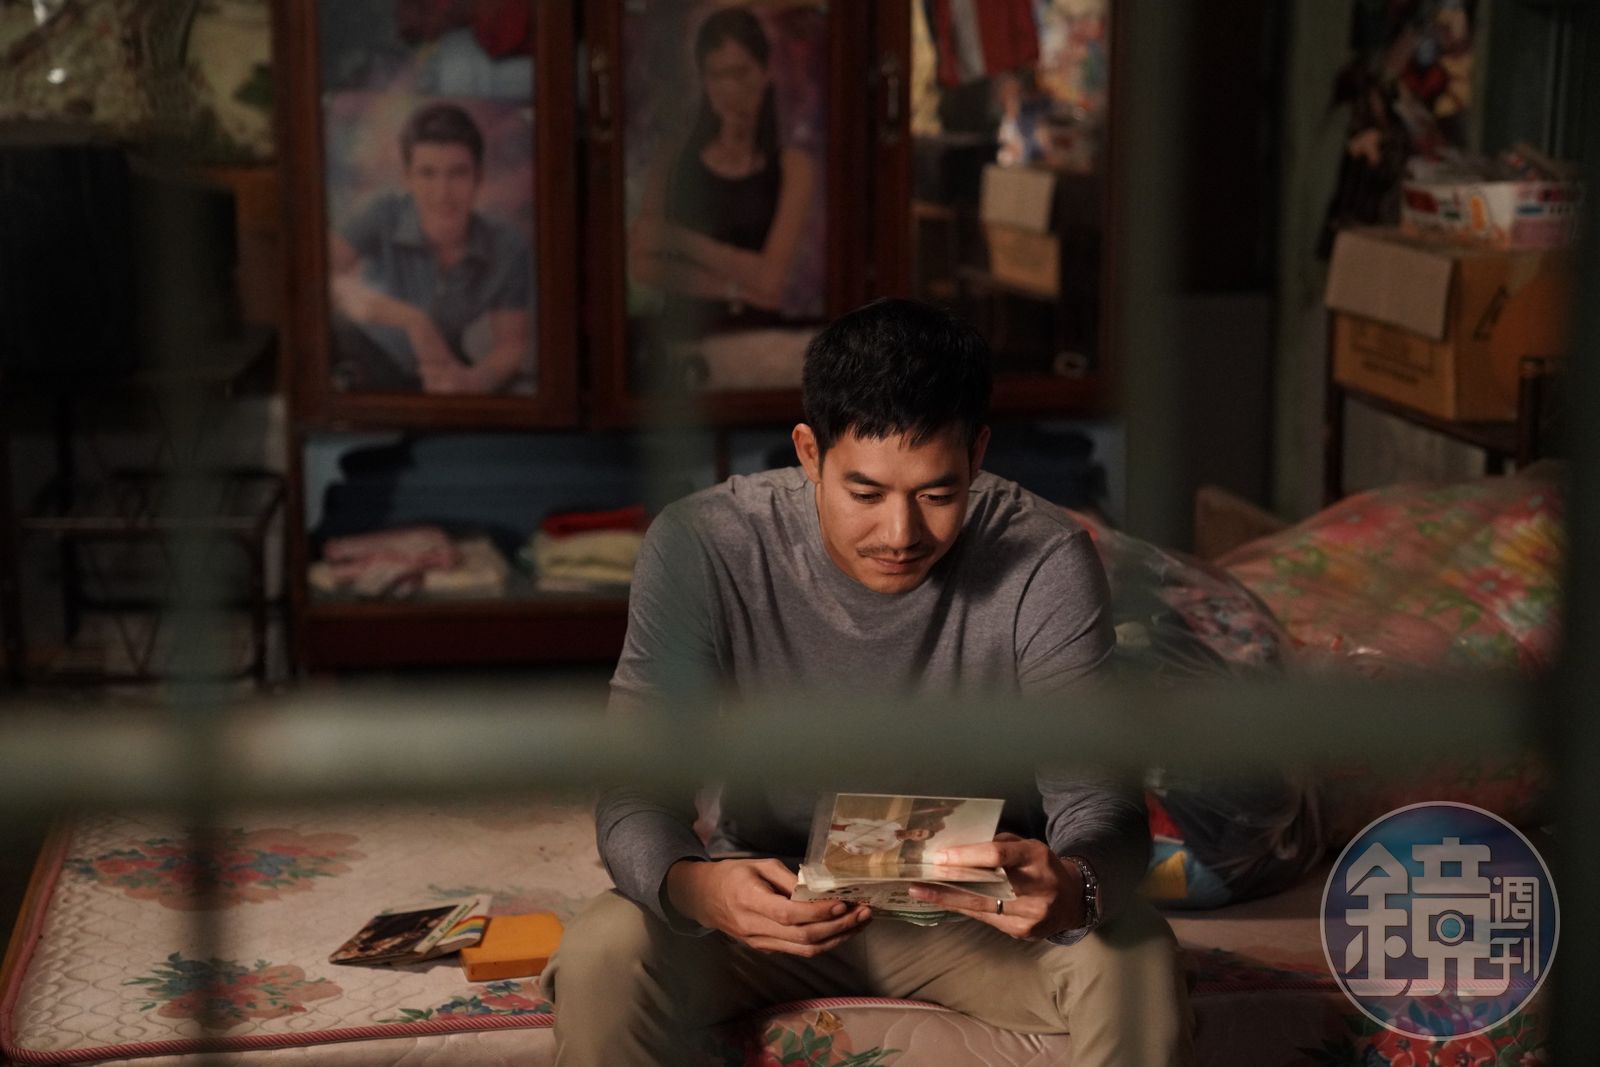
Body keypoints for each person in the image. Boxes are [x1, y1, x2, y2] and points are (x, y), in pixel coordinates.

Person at [545, 299, 1194, 1066]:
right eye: (865, 493)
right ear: (809, 452)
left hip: (973, 913)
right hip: (774, 904)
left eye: (938, 494)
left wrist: (1073, 883)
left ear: (978, 453)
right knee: (603, 949)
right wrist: (699, 888)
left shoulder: (1045, 557)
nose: (900, 534)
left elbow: (1101, 804)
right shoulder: (703, 544)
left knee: (1135, 952)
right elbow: (634, 787)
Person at [628, 6, 817, 328]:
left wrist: (676, 239)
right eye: (717, 75)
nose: (730, 90)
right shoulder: (672, 158)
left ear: (765, 72)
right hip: (682, 333)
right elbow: (643, 262)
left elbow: (771, 279)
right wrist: (735, 288)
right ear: (704, 80)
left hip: (758, 338)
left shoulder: (794, 167)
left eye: (741, 73)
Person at [328, 101, 531, 394]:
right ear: (408, 178)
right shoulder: (382, 215)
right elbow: (318, 275)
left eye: (457, 173)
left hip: (438, 365)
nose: (442, 193)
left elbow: (511, 346)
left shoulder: (508, 246)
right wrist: (412, 320)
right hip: (364, 356)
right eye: (427, 173)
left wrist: (473, 382)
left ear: (478, 177)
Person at [828, 819, 932, 857]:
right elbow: (870, 822)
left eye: (919, 835)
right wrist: (850, 821)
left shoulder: (890, 845)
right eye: (919, 830)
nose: (916, 833)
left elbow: (865, 851)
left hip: (841, 837)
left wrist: (848, 846)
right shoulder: (895, 825)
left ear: (916, 840)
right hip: (845, 824)